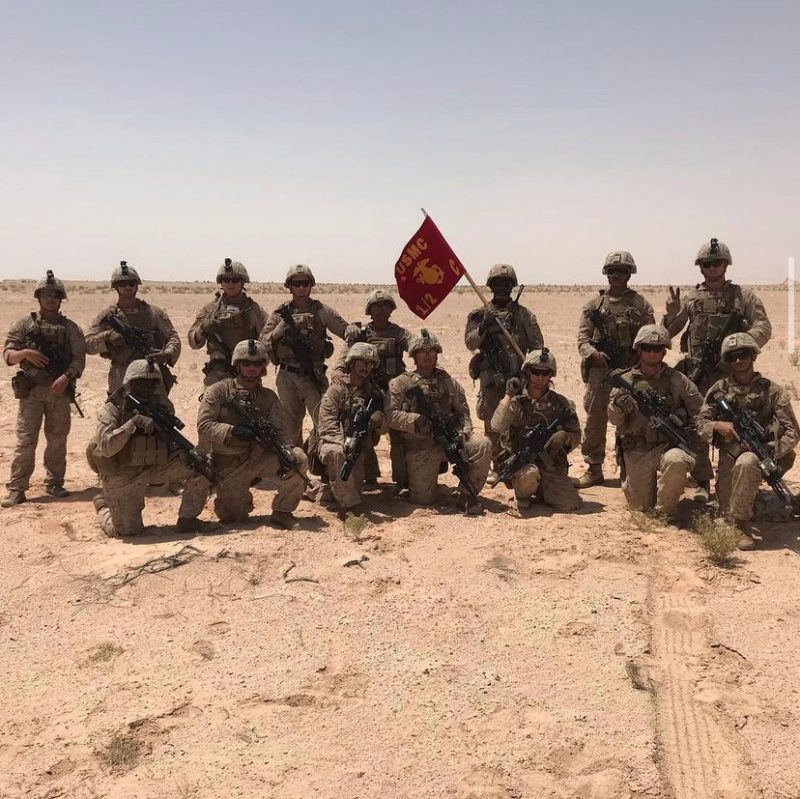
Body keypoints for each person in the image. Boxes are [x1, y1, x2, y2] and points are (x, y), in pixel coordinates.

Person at [663, 238, 772, 502]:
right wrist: (670, 314)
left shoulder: (742, 297)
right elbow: (668, 333)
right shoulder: (693, 298)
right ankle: (702, 481)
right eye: (707, 264)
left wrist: (739, 349)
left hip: (730, 374)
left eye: (717, 263)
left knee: (736, 427)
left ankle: (735, 480)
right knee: (697, 424)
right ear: (701, 268)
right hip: (698, 374)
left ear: (726, 265)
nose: (712, 269)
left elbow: (763, 327)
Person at [179, 339, 309, 530]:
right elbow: (204, 425)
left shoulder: (268, 397)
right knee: (232, 518)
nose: (252, 368)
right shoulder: (218, 391)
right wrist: (232, 431)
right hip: (227, 463)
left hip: (258, 458)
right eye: (246, 363)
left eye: (257, 364)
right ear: (237, 365)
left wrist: (281, 448)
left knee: (297, 459)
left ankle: (283, 512)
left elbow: (282, 432)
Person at [697, 333, 799, 550]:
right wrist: (718, 426)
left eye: (743, 354)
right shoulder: (719, 390)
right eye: (732, 356)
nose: (738, 360)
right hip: (729, 457)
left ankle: (739, 525)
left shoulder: (772, 390)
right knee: (729, 506)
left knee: (748, 462)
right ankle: (777, 504)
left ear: (753, 356)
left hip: (766, 455)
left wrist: (770, 451)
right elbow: (700, 423)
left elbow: (792, 431)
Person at [90, 360, 212, 537]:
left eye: (151, 384)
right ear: (130, 383)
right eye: (140, 384)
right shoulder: (112, 409)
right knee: (126, 532)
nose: (146, 389)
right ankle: (103, 506)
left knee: (200, 466)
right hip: (124, 473)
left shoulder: (161, 407)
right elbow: (107, 447)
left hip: (155, 466)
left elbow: (170, 440)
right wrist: (133, 424)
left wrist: (185, 454)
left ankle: (188, 520)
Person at [2, 271, 86, 507]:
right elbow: (8, 355)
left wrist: (66, 377)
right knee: (25, 440)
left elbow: (79, 360)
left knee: (57, 440)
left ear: (61, 299)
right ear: (38, 297)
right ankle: (17, 487)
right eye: (46, 295)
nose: (50, 299)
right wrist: (25, 354)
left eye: (55, 295)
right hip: (31, 392)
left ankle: (54, 483)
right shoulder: (24, 324)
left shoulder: (70, 328)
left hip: (59, 392)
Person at [574, 251, 655, 489]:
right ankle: (593, 468)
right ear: (606, 274)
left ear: (629, 274)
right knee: (595, 420)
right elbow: (582, 338)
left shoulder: (640, 304)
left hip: (629, 370)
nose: (616, 275)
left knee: (629, 419)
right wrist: (593, 354)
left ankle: (627, 468)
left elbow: (649, 337)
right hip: (600, 371)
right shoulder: (594, 306)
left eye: (621, 271)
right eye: (612, 271)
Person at [388, 329, 492, 513]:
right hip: (421, 447)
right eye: (422, 351)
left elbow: (464, 414)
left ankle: (467, 495)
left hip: (450, 441)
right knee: (423, 500)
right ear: (414, 356)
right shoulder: (400, 383)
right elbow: (391, 415)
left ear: (437, 354)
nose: (427, 355)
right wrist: (415, 420)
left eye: (431, 351)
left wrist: (463, 434)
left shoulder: (449, 382)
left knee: (482, 444)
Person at [608, 325, 702, 521]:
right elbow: (614, 420)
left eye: (657, 349)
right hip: (637, 449)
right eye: (647, 348)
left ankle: (666, 514)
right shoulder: (626, 381)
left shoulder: (677, 380)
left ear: (664, 351)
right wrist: (618, 405)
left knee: (676, 460)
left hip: (667, 446)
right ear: (639, 350)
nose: (652, 353)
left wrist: (682, 417)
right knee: (640, 508)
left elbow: (701, 411)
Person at [260, 264, 349, 447]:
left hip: (313, 374)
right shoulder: (280, 313)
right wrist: (277, 332)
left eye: (305, 283)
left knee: (324, 423)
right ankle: (297, 470)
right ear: (289, 286)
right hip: (286, 377)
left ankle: (325, 465)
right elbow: (262, 343)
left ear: (311, 285)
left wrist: (353, 332)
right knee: (290, 428)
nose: (301, 287)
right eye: (296, 283)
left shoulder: (321, 310)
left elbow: (345, 331)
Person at [464, 264, 543, 470]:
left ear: (512, 286)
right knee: (493, 424)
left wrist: (529, 371)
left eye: (506, 284)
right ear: (491, 286)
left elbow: (537, 347)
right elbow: (471, 343)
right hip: (491, 380)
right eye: (497, 283)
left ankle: (517, 463)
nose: (501, 288)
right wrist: (484, 324)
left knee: (520, 421)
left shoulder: (524, 316)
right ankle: (497, 465)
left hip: (518, 379)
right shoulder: (478, 314)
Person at [332, 288, 410, 487]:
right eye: (376, 306)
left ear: (392, 309)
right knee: (361, 427)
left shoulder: (399, 334)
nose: (381, 310)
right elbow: (344, 358)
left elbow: (417, 348)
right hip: (368, 391)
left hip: (395, 392)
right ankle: (369, 475)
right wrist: (339, 373)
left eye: (385, 305)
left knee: (399, 435)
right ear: (369, 309)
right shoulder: (361, 334)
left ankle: (402, 480)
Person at [491, 349, 582, 512]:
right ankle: (524, 494)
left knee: (570, 504)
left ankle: (545, 490)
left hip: (550, 466)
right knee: (528, 477)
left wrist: (565, 439)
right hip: (525, 465)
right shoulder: (517, 402)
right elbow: (497, 425)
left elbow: (576, 434)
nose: (540, 378)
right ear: (527, 372)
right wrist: (508, 395)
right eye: (536, 372)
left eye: (545, 373)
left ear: (551, 375)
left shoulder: (560, 403)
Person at [85, 261, 181, 394]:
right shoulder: (108, 316)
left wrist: (166, 354)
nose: (127, 287)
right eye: (123, 284)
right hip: (121, 377)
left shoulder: (153, 313)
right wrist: (106, 336)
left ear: (137, 286)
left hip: (151, 375)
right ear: (116, 287)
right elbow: (88, 344)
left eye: (131, 283)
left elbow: (172, 337)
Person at [319, 342, 386, 518]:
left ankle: (320, 491)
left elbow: (387, 423)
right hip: (333, 442)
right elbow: (326, 424)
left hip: (358, 447)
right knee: (338, 457)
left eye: (370, 363)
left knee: (350, 487)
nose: (366, 367)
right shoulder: (337, 389)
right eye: (362, 362)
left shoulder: (373, 392)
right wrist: (343, 444)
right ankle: (348, 509)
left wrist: (377, 419)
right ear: (352, 363)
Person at [187, 258, 267, 385]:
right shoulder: (210, 309)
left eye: (235, 280)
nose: (231, 283)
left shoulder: (254, 309)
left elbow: (266, 340)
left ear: (242, 282)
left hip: (247, 372)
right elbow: (193, 343)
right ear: (221, 283)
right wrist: (202, 328)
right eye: (226, 280)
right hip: (218, 372)